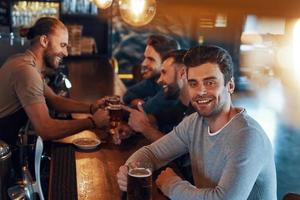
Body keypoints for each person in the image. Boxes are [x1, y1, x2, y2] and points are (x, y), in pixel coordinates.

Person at [117, 45, 277, 200]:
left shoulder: (247, 137)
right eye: (194, 83)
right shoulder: (194, 123)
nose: (200, 92)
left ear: (230, 85)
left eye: (210, 83)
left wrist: (171, 185)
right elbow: (151, 154)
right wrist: (130, 169)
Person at [0, 17, 109, 146]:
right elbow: (46, 129)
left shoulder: (23, 62)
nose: (66, 53)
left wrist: (91, 108)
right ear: (44, 41)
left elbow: (54, 100)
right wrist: (92, 122)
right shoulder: (26, 71)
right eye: (62, 45)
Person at [115, 49, 193, 143]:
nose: (159, 80)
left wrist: (144, 128)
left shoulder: (199, 111)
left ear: (182, 73)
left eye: (164, 72)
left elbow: (178, 150)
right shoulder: (179, 104)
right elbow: (158, 119)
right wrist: (131, 127)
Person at [122, 35, 179, 110]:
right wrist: (140, 103)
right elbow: (128, 94)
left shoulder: (170, 86)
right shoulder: (152, 80)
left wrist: (143, 105)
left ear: (166, 63)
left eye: (151, 59)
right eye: (145, 57)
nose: (143, 63)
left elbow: (149, 108)